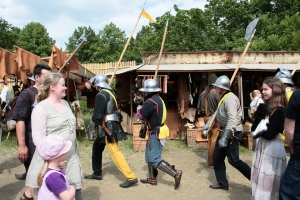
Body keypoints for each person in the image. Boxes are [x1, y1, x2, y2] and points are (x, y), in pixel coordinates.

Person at [24, 73, 83, 200]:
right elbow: (38, 139)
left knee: (75, 191)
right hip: (52, 160)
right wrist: (54, 159)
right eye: (62, 85)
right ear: (52, 87)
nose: (65, 88)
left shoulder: (66, 104)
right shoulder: (41, 108)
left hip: (70, 156)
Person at [87, 74, 138, 188]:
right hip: (108, 124)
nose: (94, 85)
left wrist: (90, 130)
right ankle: (97, 172)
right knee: (97, 148)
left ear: (98, 83)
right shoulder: (111, 92)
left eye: (95, 83)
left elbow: (97, 115)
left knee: (115, 152)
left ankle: (131, 177)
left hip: (107, 126)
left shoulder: (101, 95)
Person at [201, 75, 251, 190]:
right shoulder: (223, 97)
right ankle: (223, 183)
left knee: (234, 160)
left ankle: (256, 179)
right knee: (217, 158)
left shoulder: (230, 99)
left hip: (231, 133)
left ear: (222, 88)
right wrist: (206, 127)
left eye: (217, 86)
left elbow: (232, 119)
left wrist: (225, 137)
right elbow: (216, 115)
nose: (215, 88)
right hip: (223, 131)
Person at [137, 79, 182, 189]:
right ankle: (152, 178)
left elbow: (141, 116)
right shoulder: (158, 99)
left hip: (156, 132)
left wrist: (140, 109)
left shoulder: (150, 102)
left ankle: (176, 173)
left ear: (148, 91)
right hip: (155, 130)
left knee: (154, 158)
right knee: (148, 156)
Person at [13, 64, 51, 185]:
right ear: (37, 77)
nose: (50, 80)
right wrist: (22, 145)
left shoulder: (49, 94)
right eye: (47, 77)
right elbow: (20, 120)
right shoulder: (27, 94)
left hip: (47, 142)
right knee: (37, 180)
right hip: (32, 143)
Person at [251, 77, 287, 199]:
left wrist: (262, 117)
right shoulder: (267, 108)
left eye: (266, 89)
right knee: (259, 180)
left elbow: (269, 134)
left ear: (275, 90)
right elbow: (254, 131)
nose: (263, 92)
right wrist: (262, 110)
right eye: (262, 90)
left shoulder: (280, 111)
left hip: (272, 149)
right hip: (263, 146)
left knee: (269, 185)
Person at [37, 135, 75, 200]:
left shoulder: (50, 171)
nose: (67, 152)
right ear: (59, 155)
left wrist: (60, 166)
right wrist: (73, 188)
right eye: (65, 151)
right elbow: (67, 198)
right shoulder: (54, 177)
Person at [279, 89, 300, 199]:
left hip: (298, 157)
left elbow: (289, 130)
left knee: (289, 195)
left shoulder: (297, 95)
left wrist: (293, 149)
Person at [196, 73, 220, 168]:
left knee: (210, 139)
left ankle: (210, 160)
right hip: (214, 118)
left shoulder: (202, 93)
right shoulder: (216, 93)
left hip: (206, 118)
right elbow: (221, 106)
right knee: (214, 140)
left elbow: (198, 107)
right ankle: (212, 161)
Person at [275, 68, 295, 152]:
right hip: (283, 136)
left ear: (285, 84)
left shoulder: (291, 96)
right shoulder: (283, 96)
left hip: (290, 136)